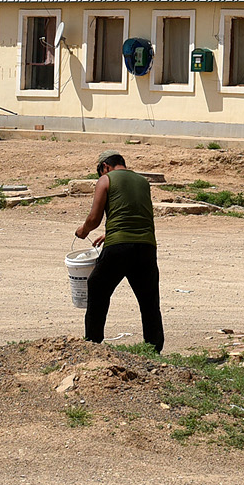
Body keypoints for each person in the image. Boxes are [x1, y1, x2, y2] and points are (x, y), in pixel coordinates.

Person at [75, 150, 164, 352]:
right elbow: (136, 213)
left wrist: (83, 230)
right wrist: (111, 232)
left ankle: (93, 344)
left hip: (119, 247)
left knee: (97, 287)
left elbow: (94, 219)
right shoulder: (142, 182)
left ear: (105, 166)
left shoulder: (106, 180)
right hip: (146, 246)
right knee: (149, 301)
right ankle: (154, 349)